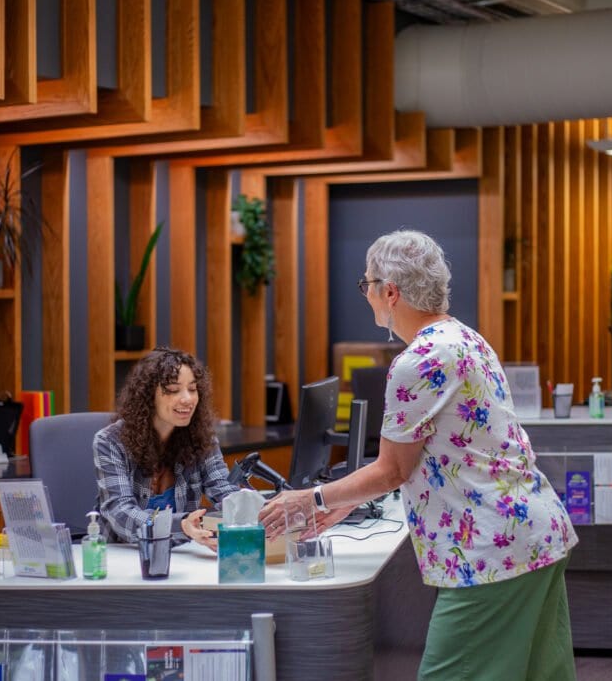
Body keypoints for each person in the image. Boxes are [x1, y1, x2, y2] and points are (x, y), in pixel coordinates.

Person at [259, 230, 578, 680]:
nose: (366, 294)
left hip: (488, 553)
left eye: (367, 284)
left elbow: (392, 470)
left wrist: (310, 499)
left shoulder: (419, 360)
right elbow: (440, 452)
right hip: (533, 535)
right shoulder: (466, 338)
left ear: (389, 291)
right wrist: (346, 499)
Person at [94, 347, 238, 551]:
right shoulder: (110, 441)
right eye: (172, 389)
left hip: (180, 555)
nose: (187, 399)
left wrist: (260, 509)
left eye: (193, 388)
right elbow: (121, 513)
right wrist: (181, 525)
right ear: (148, 396)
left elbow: (224, 490)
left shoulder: (202, 438)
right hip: (121, 556)